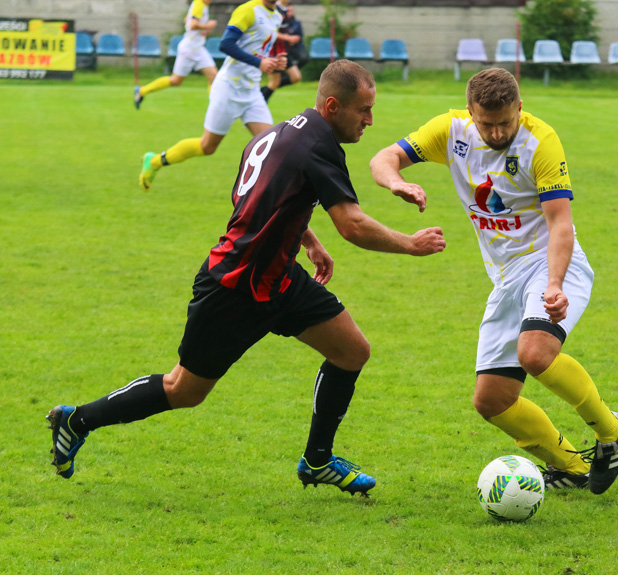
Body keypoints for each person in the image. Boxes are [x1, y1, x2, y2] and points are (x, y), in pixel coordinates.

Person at [48, 60, 447, 496]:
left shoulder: (275, 134)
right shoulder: (320, 146)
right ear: (333, 105)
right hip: (234, 286)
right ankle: (76, 420)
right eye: (363, 110)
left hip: (279, 278)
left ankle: (317, 461)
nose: (370, 120)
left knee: (352, 351)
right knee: (184, 389)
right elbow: (351, 224)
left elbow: (259, 196)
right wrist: (410, 243)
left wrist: (307, 241)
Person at [369, 68, 618, 495]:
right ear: (470, 112)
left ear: (519, 108)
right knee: (491, 401)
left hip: (553, 264)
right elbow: (384, 158)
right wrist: (397, 182)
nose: (496, 131)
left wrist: (556, 284)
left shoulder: (539, 142)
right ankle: (571, 466)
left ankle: (609, 431)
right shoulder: (451, 131)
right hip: (507, 279)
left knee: (536, 353)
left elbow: (561, 224)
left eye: (505, 121)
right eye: (486, 123)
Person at [138, 0, 287, 191]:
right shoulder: (249, 10)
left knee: (273, 145)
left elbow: (260, 50)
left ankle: (266, 197)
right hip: (228, 89)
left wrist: (275, 62)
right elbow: (226, 44)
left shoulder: (277, 16)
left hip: (251, 92)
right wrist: (259, 63)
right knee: (207, 146)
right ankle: (155, 161)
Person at [133, 0, 219, 110]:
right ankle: (141, 91)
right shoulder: (199, 4)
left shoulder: (202, 5)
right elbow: (192, 25)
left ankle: (216, 107)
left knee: (214, 78)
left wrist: (203, 29)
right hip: (189, 49)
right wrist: (207, 25)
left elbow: (187, 20)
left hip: (197, 48)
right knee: (176, 81)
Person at [261, 0, 308, 103]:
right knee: (274, 83)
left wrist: (288, 40)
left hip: (284, 51)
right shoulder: (274, 9)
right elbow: (270, 32)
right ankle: (260, 102)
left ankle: (262, 93)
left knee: (295, 77)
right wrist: (287, 38)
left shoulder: (285, 10)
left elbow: (281, 31)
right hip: (274, 53)